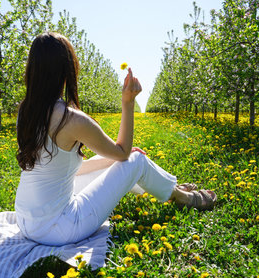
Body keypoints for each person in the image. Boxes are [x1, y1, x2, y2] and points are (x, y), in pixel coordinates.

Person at [15, 32, 216, 246]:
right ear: (67, 70)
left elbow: (70, 168)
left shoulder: (25, 112)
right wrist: (127, 102)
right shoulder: (70, 119)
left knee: (121, 163)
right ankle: (181, 197)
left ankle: (170, 189)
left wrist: (116, 160)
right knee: (134, 161)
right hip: (60, 228)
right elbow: (123, 152)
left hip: (27, 222)